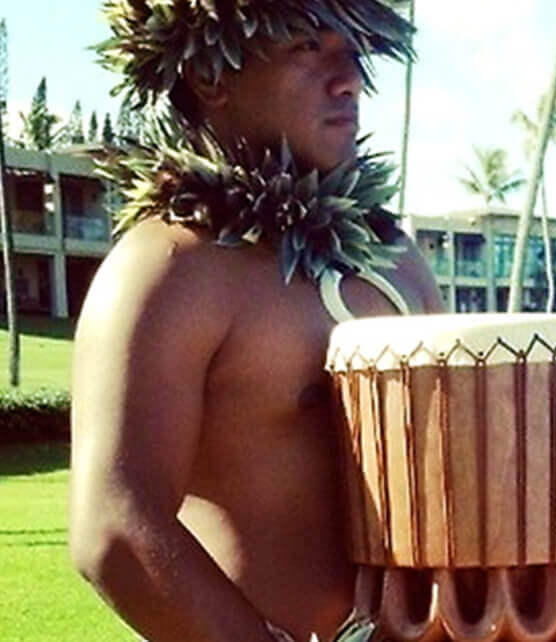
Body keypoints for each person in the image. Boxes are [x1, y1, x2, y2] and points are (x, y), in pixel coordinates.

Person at [68, 2, 446, 640]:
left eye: (353, 50)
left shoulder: (398, 260)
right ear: (211, 78)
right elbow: (116, 527)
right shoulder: (170, 268)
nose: (348, 78)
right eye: (307, 47)